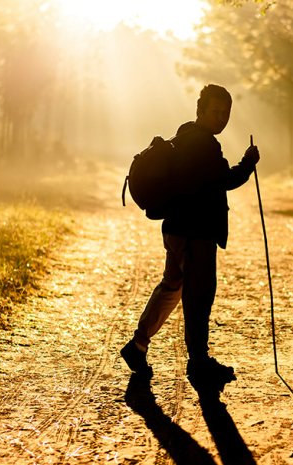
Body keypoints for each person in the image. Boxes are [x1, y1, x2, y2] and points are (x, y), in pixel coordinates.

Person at [120, 84, 260, 387]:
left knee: (172, 286)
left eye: (225, 113)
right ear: (201, 111)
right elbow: (226, 179)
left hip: (176, 229)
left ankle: (138, 346)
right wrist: (248, 163)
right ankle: (198, 363)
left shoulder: (184, 137)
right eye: (215, 111)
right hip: (196, 233)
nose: (221, 118)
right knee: (198, 296)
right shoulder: (204, 144)